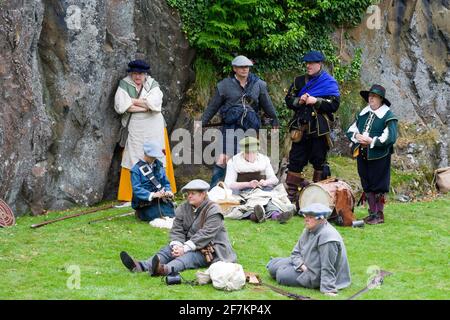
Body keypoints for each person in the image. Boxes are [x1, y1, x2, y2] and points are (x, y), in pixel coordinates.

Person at [120, 179, 237, 276]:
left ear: (203, 194)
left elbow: (206, 234)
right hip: (189, 244)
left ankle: (164, 270)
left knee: (188, 257)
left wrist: (184, 248)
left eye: (193, 193)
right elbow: (177, 228)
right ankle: (141, 266)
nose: (189, 196)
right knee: (168, 250)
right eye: (188, 194)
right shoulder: (183, 207)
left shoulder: (213, 210)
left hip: (212, 249)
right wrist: (177, 245)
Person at [198, 55, 280, 188]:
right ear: (234, 68)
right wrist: (201, 122)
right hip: (231, 127)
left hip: (250, 128)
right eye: (241, 67)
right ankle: (214, 192)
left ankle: (246, 189)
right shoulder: (224, 85)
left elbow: (267, 105)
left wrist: (275, 121)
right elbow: (213, 107)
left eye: (247, 66)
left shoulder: (258, 84)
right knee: (224, 159)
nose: (244, 69)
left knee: (248, 159)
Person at [114, 59, 176, 206]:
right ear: (131, 73)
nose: (138, 77)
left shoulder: (153, 84)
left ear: (145, 74)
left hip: (154, 125)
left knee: (157, 155)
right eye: (135, 73)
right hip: (136, 126)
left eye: (141, 74)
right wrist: (145, 105)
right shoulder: (124, 84)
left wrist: (133, 101)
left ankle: (162, 190)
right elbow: (121, 106)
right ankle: (131, 195)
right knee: (135, 156)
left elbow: (155, 104)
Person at [284, 50, 340, 207]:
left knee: (319, 163)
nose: (308, 66)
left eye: (311, 63)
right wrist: (299, 101)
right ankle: (292, 199)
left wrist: (317, 101)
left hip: (319, 130)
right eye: (306, 63)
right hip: (300, 128)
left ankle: (319, 200)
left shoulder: (329, 82)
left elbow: (334, 105)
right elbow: (288, 100)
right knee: (295, 161)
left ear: (319, 64)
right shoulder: (299, 81)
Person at [266, 203, 351, 296]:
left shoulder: (328, 238)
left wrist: (328, 289)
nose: (306, 219)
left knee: (281, 276)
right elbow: (295, 252)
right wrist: (301, 265)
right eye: (305, 216)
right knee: (272, 267)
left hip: (315, 274)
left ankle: (285, 269)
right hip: (305, 264)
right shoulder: (308, 229)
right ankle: (284, 267)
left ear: (321, 219)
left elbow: (328, 266)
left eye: (310, 217)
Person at [346, 84, 398, 225]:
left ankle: (379, 214)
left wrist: (371, 141)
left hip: (379, 155)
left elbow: (390, 137)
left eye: (374, 96)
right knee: (366, 183)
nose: (371, 99)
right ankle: (372, 212)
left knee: (378, 184)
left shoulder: (388, 116)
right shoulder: (363, 113)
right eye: (370, 96)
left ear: (381, 99)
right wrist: (357, 136)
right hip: (363, 153)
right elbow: (350, 130)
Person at [223, 137, 296, 224]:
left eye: (253, 152)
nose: (250, 155)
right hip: (245, 192)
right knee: (253, 203)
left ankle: (276, 216)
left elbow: (274, 179)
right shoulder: (234, 161)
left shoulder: (263, 159)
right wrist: (248, 184)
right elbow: (229, 183)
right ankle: (256, 216)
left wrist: (265, 182)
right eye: (248, 152)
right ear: (243, 151)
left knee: (271, 201)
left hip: (264, 189)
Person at [130, 142, 175, 221]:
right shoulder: (136, 170)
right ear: (146, 154)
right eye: (152, 156)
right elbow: (137, 188)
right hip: (144, 202)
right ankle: (139, 212)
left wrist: (168, 191)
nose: (154, 158)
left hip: (160, 199)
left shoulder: (159, 166)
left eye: (155, 156)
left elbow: (166, 182)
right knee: (156, 216)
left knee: (170, 213)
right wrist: (153, 195)